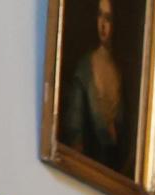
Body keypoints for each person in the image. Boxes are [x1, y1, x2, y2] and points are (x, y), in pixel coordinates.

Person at [59, 0, 131, 172]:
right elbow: (74, 126)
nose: (103, 24)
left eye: (108, 18)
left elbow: (124, 135)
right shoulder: (85, 68)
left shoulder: (118, 73)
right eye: (100, 16)